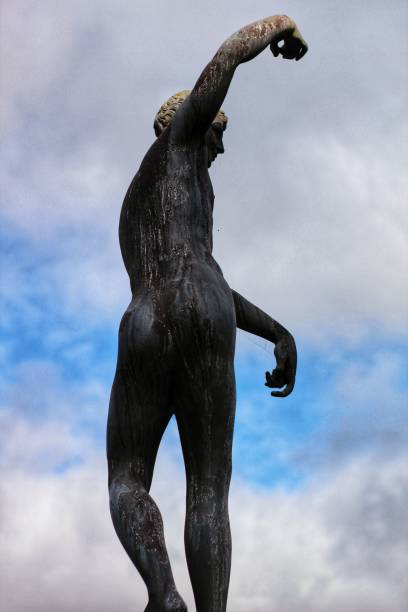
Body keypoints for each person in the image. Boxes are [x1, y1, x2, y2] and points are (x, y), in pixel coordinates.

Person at [107, 15, 307, 612]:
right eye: (218, 132)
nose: (220, 147)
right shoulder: (182, 141)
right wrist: (280, 24)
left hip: (147, 316)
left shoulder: (136, 203)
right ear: (192, 120)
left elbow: (203, 276)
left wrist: (276, 329)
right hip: (203, 313)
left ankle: (163, 593)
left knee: (125, 481)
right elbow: (224, 59)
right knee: (209, 492)